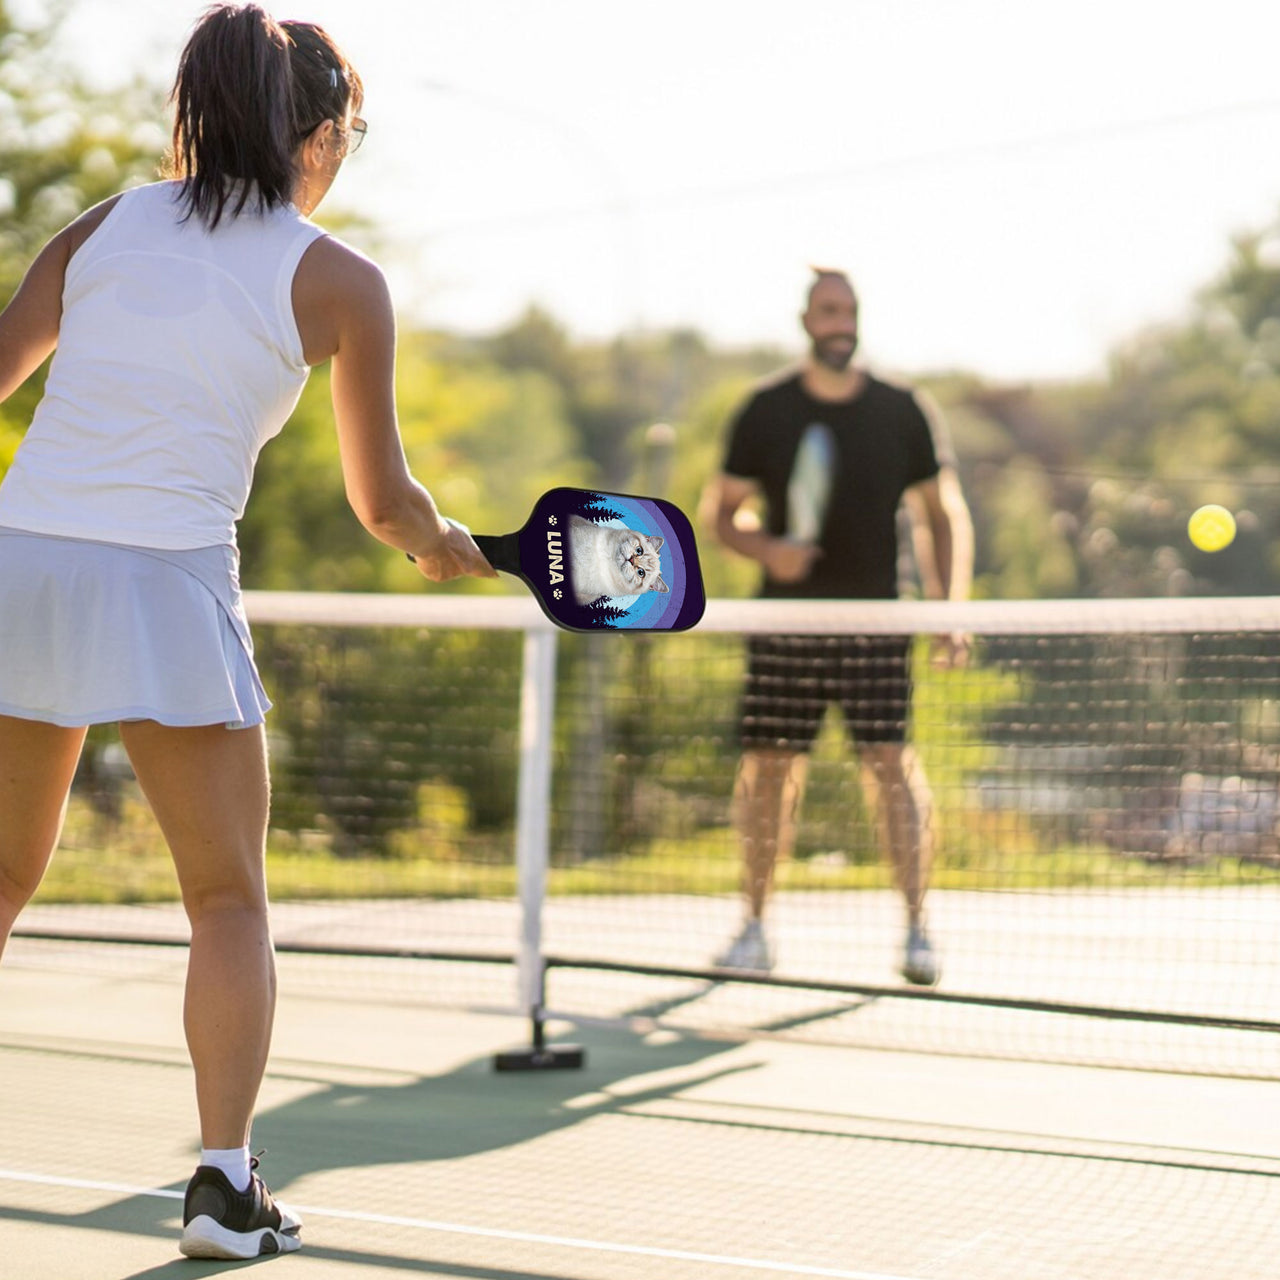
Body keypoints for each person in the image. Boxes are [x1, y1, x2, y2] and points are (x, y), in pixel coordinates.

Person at [0, 4, 494, 1260]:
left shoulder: (105, 223)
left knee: (1, 877)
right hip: (167, 582)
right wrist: (438, 539)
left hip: (23, 563)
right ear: (317, 137)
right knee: (225, 899)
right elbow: (381, 503)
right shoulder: (342, 281)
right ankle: (224, 1182)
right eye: (353, 133)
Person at [701, 268, 972, 986]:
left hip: (876, 622)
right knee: (767, 772)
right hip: (785, 623)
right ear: (806, 320)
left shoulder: (902, 408)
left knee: (892, 768)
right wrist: (767, 550)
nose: (839, 323)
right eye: (828, 311)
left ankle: (918, 932)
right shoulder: (763, 409)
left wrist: (951, 610)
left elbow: (941, 513)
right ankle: (753, 929)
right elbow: (720, 513)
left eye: (849, 310)